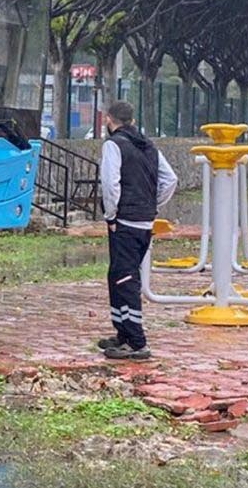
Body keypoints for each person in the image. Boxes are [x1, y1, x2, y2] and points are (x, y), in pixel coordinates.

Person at [97, 99, 177, 360]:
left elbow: (110, 185)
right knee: (118, 275)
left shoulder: (113, 145)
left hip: (124, 222)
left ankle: (137, 342)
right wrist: (152, 206)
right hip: (144, 222)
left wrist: (112, 215)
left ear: (109, 119)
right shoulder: (149, 145)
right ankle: (123, 333)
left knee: (125, 280)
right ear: (131, 120)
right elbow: (170, 179)